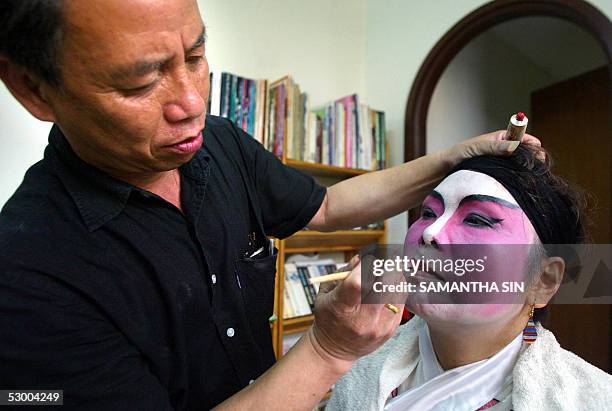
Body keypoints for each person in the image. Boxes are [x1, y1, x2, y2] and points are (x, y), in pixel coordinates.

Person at [0, 0, 538, 409]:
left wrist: (448, 161)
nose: (191, 104)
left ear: (547, 280)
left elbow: (326, 207)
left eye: (195, 56)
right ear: (34, 90)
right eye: (141, 83)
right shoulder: (27, 277)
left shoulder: (220, 144)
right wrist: (328, 351)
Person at [327, 145, 612, 411]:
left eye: (477, 220)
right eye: (428, 213)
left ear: (543, 280)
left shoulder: (594, 399)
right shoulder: (358, 359)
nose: (430, 232)